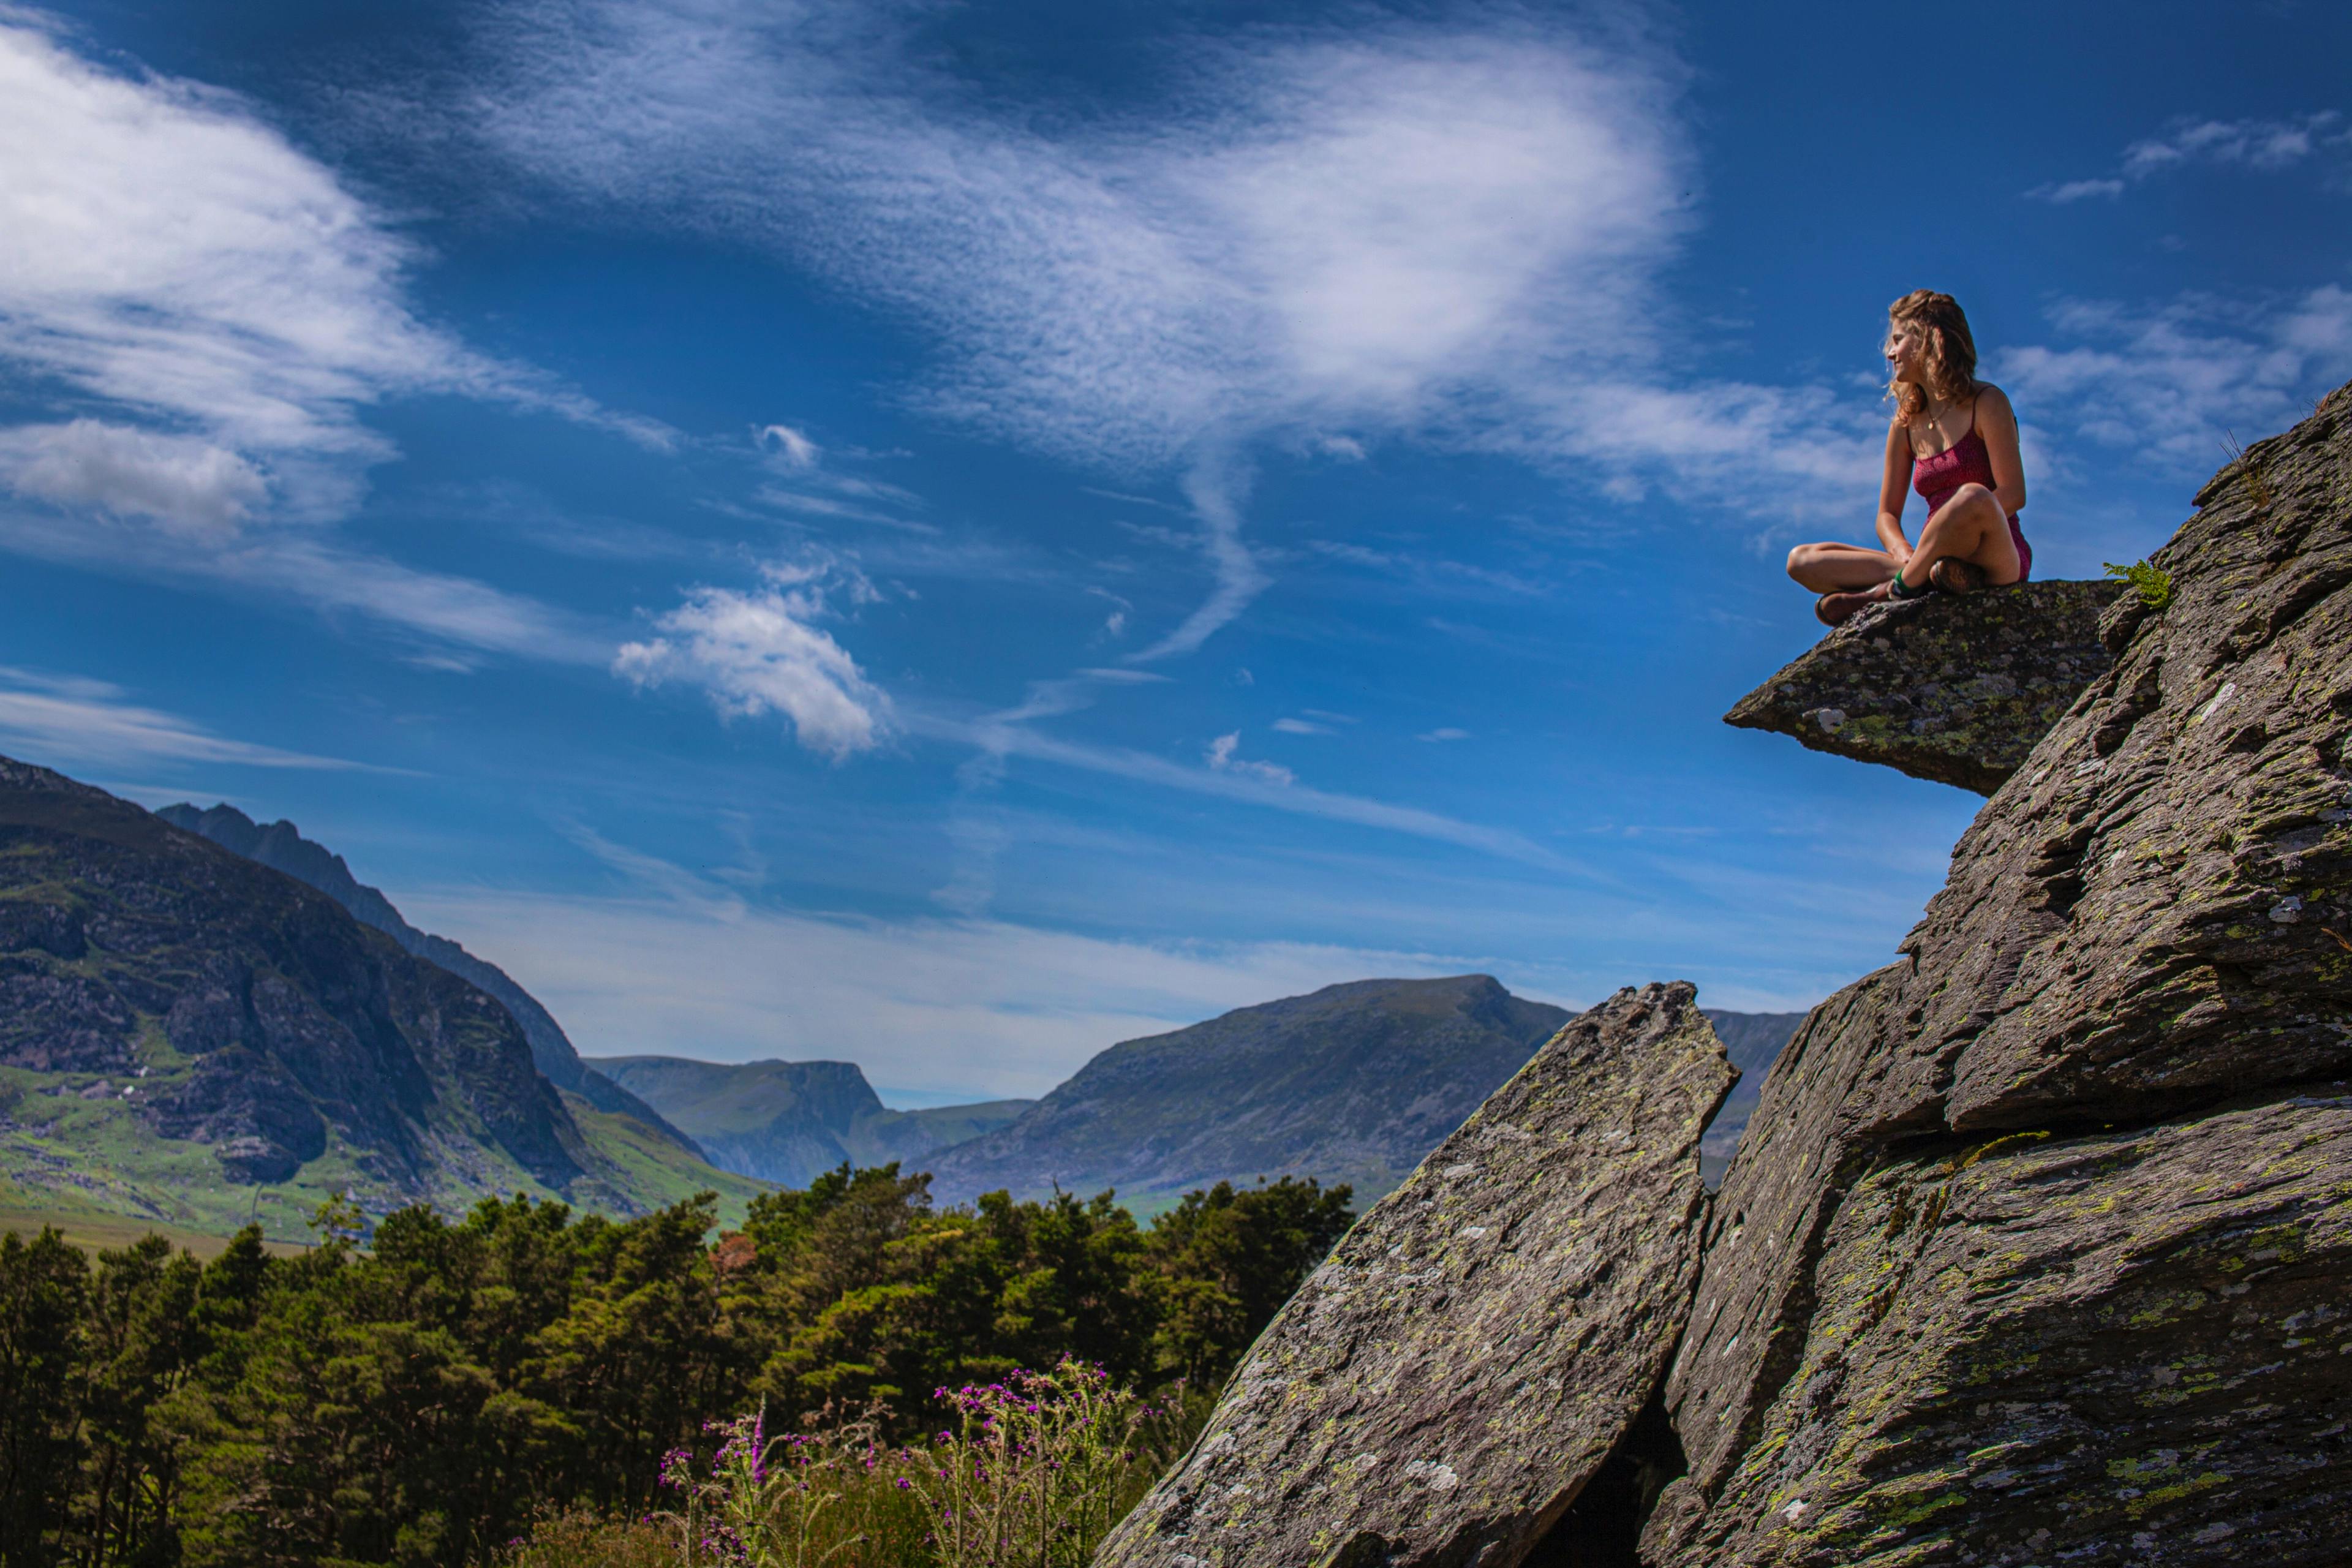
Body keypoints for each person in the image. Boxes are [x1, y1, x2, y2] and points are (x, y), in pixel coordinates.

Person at [1787, 290, 2032, 626]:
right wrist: (1905, 552)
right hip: (1931, 560)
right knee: (1802, 560)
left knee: (1973, 496)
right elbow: (1887, 514)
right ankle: (1929, 577)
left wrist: (1949, 531)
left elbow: (2014, 494)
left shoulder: (1987, 402)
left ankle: (1889, 592)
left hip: (1994, 553)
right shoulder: (1906, 423)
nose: (1890, 353)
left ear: (1929, 340)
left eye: (1898, 340)